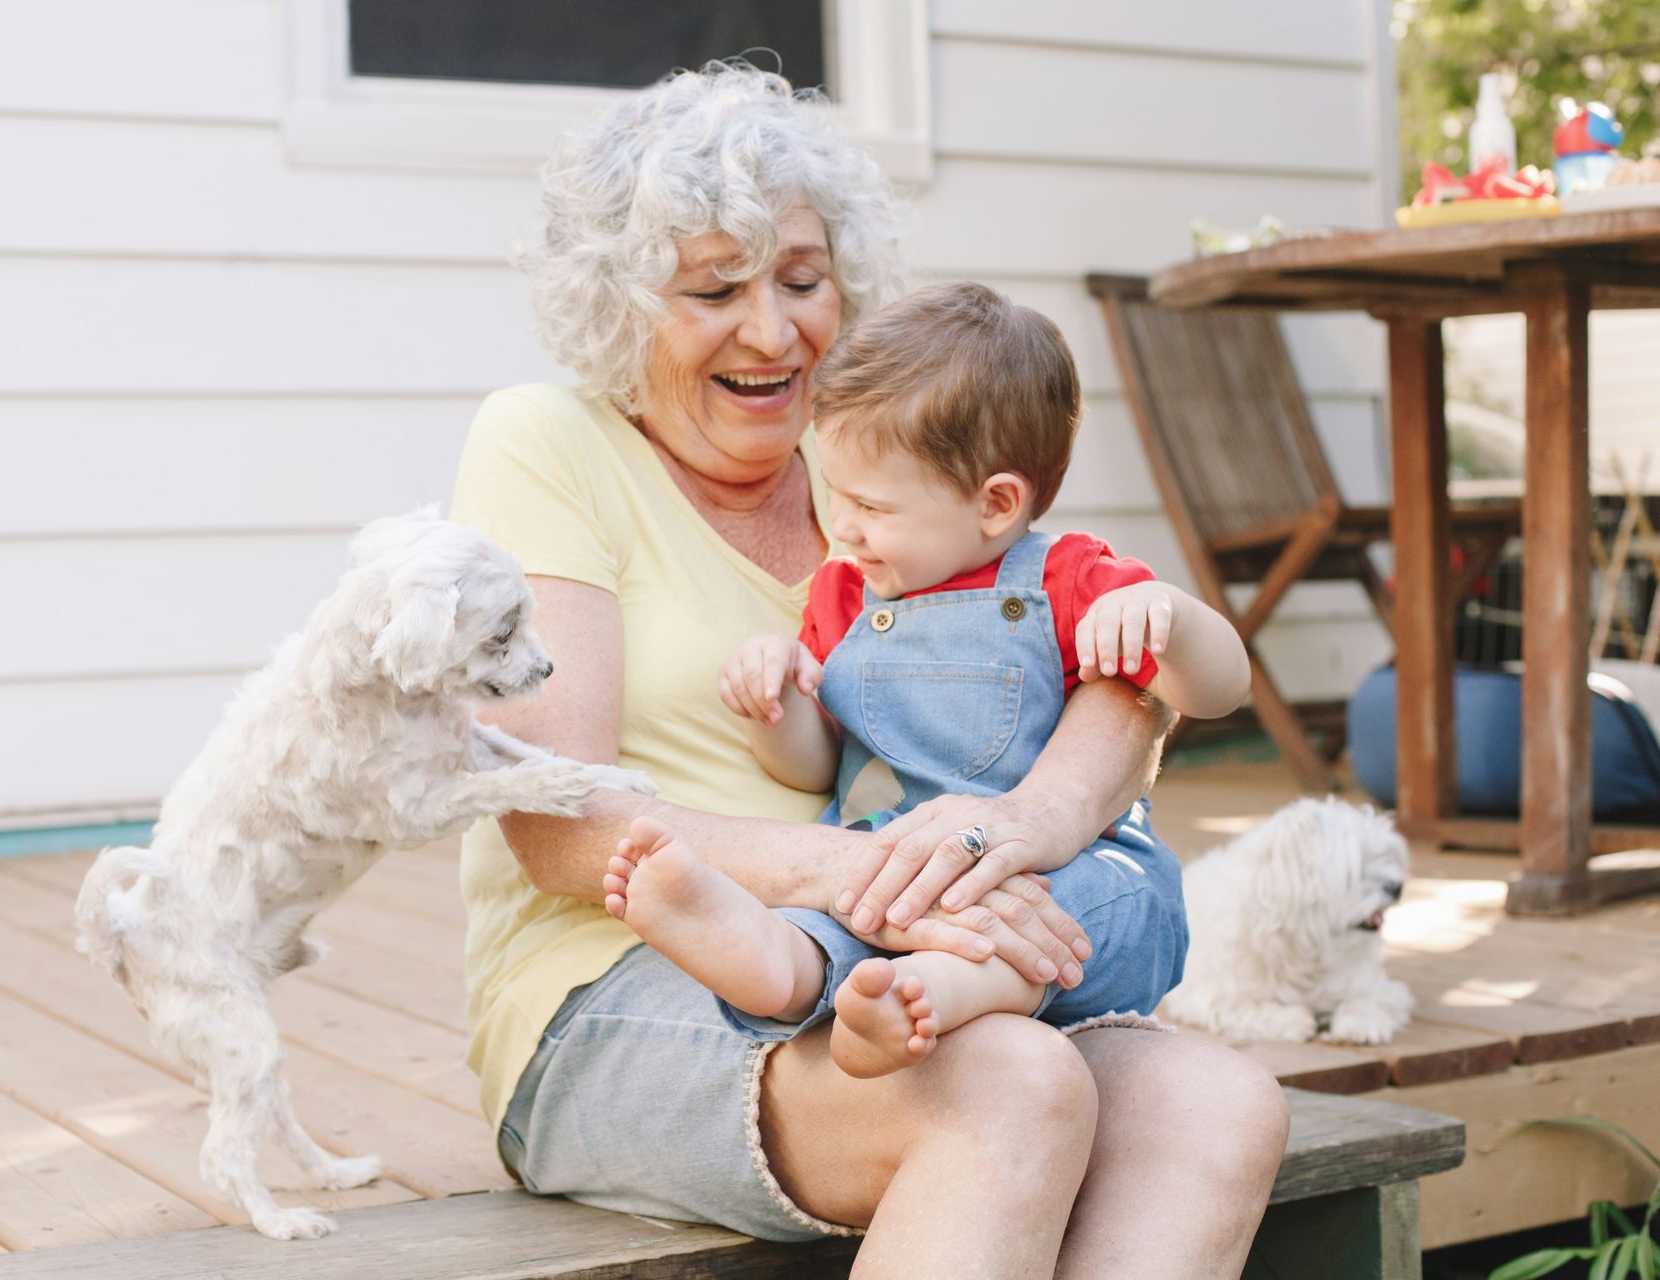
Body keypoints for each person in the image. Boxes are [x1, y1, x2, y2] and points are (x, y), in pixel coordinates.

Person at [449, 59, 1288, 1277]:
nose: (773, 329)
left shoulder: (885, 465)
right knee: (1009, 1080)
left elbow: (1118, 678)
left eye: (802, 279)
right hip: (624, 983)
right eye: (714, 289)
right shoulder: (548, 440)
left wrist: (1016, 825)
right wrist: (887, 875)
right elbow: (556, 818)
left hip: (908, 962)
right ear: (623, 305)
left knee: (1221, 1105)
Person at [601, 282, 1251, 1079]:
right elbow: (811, 767)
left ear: (996, 504)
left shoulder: (1071, 581)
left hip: (1060, 874)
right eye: (836, 492)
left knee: (1105, 907)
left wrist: (1173, 619)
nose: (842, 524)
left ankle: (929, 991)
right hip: (896, 867)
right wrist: (775, 705)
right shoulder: (845, 595)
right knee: (851, 904)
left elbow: (1220, 692)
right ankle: (778, 962)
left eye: (871, 505)